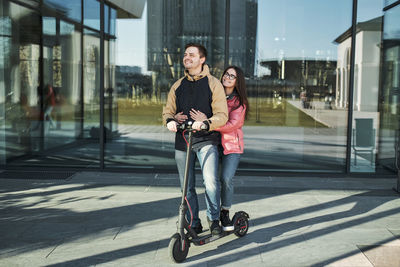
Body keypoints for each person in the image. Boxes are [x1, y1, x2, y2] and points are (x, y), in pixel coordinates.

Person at [162, 43, 228, 235]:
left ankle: (214, 220)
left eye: (191, 54)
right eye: (185, 54)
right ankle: (194, 222)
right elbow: (167, 111)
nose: (186, 57)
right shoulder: (177, 85)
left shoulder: (213, 83)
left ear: (202, 59)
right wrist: (170, 120)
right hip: (183, 142)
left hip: (206, 139)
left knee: (210, 182)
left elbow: (222, 115)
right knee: (186, 187)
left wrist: (206, 122)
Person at [190, 66, 249, 231]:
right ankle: (213, 216)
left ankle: (225, 211)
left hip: (231, 147)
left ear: (238, 82)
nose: (228, 77)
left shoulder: (239, 103)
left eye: (233, 76)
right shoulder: (214, 94)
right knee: (212, 182)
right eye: (226, 74)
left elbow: (232, 125)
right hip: (213, 143)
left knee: (226, 178)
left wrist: (208, 124)